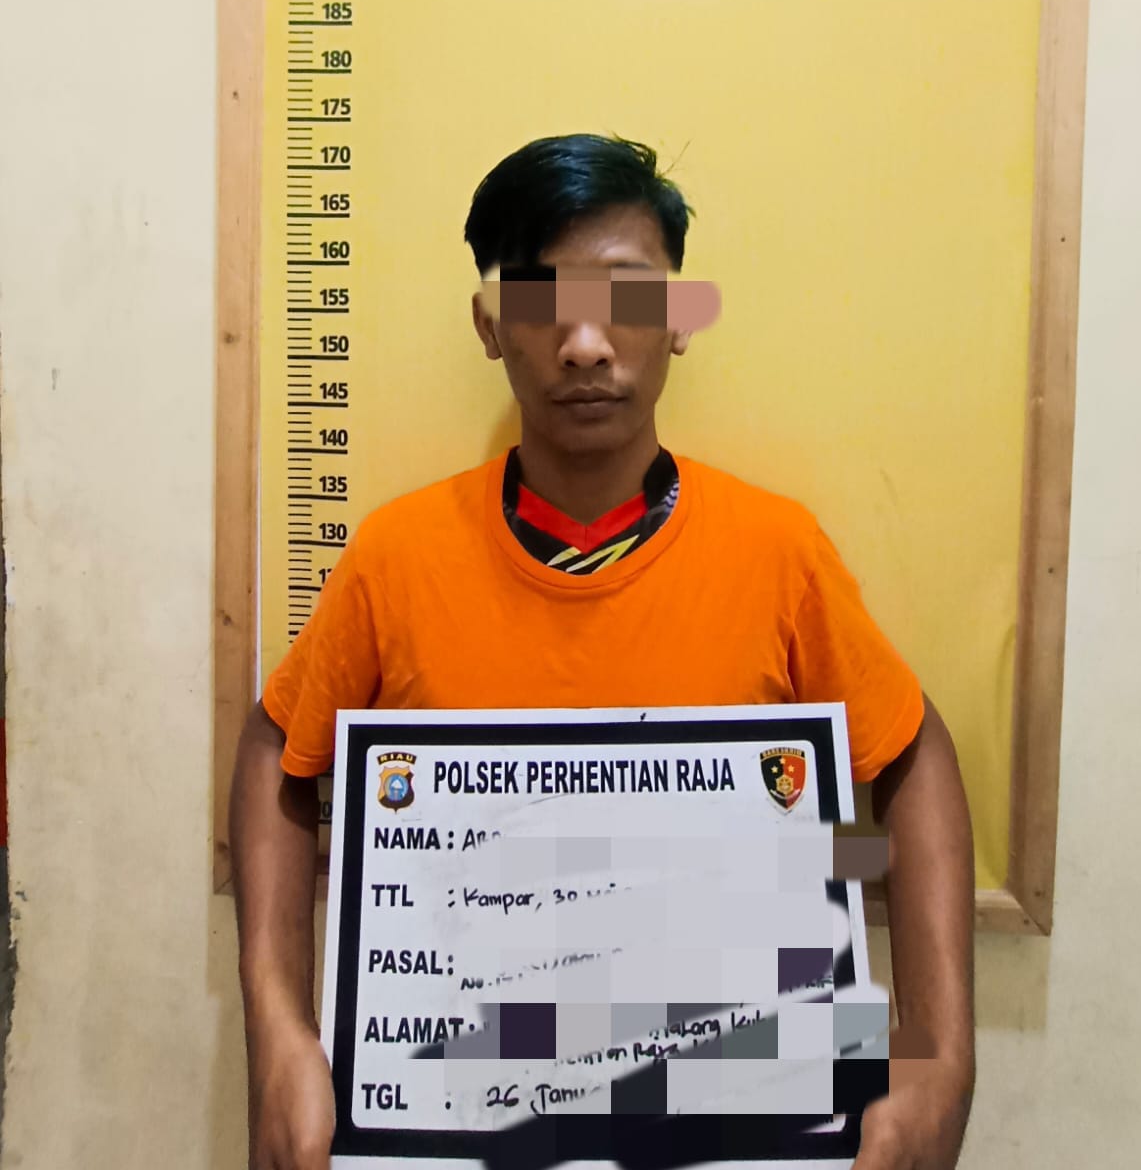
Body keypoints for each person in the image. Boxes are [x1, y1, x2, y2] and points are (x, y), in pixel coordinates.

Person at [231, 133, 976, 1170]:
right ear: (491, 327)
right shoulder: (399, 557)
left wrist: (938, 1051)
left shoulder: (776, 553)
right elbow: (280, 746)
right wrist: (279, 1032)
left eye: (628, 297)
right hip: (454, 1123)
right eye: (541, 302)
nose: (584, 344)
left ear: (680, 319)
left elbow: (909, 753)